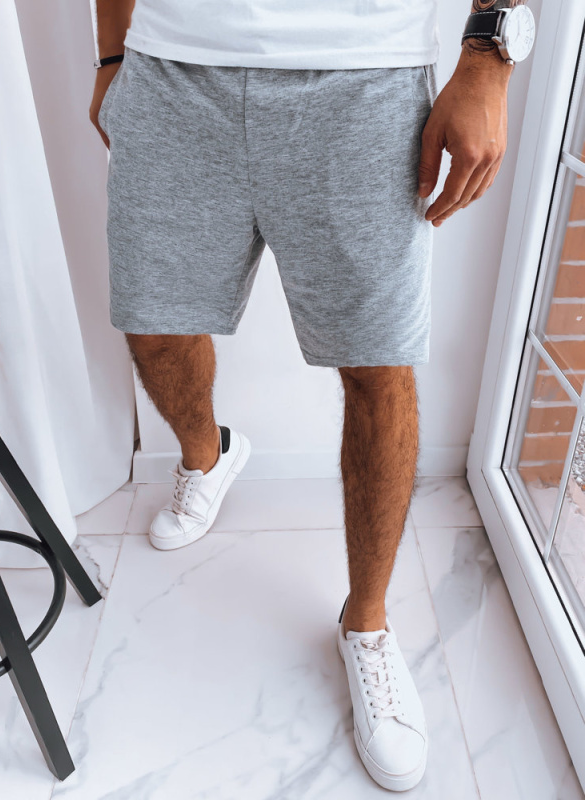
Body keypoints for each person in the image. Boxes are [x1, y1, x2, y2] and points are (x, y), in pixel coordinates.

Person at [90, 0, 534, 790]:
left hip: (363, 78)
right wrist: (113, 55)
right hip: (170, 68)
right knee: (154, 326)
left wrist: (488, 57)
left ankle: (368, 625)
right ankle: (206, 457)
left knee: (376, 367)